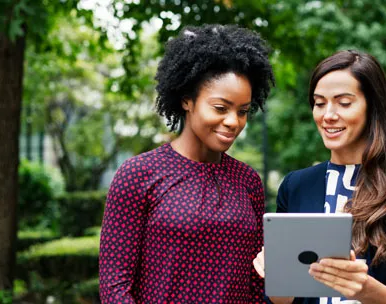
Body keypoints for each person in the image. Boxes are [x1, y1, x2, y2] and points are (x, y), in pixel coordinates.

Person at [99, 24, 275, 303]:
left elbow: (256, 285)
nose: (233, 122)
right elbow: (115, 288)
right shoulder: (138, 174)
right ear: (186, 101)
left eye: (243, 111)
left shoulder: (248, 181)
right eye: (220, 108)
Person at [253, 50, 386, 304]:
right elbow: (283, 300)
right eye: (319, 103)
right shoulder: (296, 185)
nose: (328, 115)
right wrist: (276, 275)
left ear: (372, 107)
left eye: (344, 102)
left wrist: (363, 289)